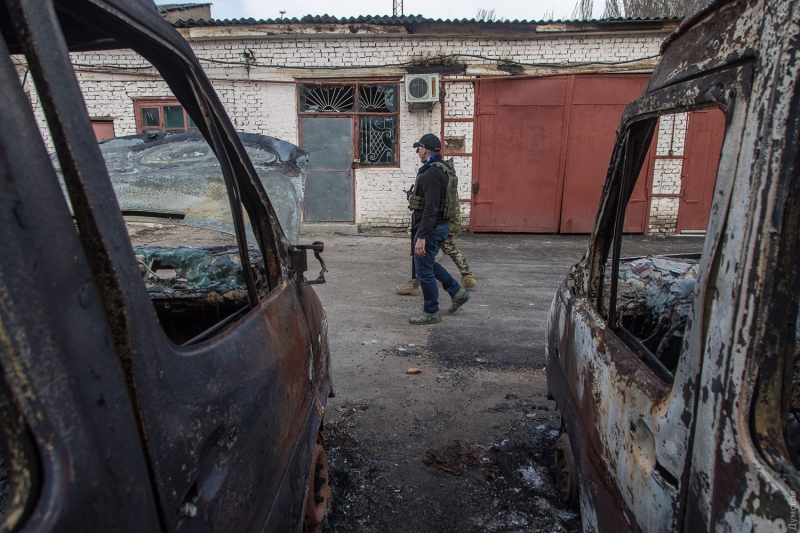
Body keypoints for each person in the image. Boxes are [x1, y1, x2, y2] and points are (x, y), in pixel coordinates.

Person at [406, 134, 472, 325]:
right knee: (428, 264)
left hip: (431, 228)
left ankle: (431, 312)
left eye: (418, 148)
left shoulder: (431, 173)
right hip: (440, 226)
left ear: (424, 149)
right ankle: (457, 292)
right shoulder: (445, 168)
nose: (418, 151)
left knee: (424, 271)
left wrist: (422, 236)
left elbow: (431, 207)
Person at [396, 164, 477, 296]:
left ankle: (418, 285)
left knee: (424, 257)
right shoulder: (448, 177)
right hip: (444, 221)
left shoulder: (434, 175)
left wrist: (412, 199)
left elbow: (430, 205)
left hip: (437, 223)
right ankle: (465, 279)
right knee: (436, 254)